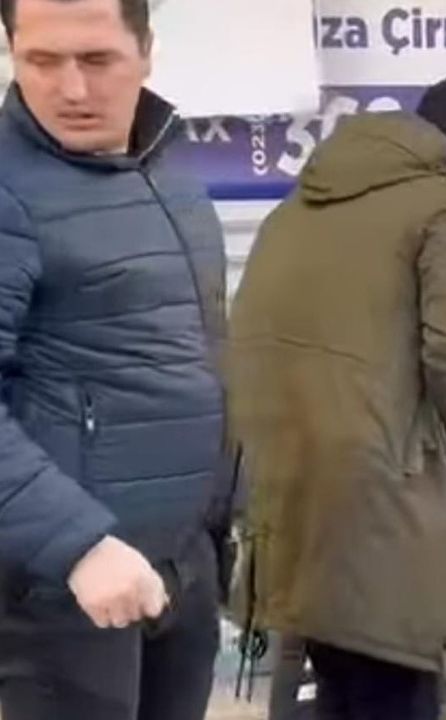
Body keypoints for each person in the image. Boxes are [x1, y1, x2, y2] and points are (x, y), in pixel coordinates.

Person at [227, 75, 446, 720]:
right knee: (396, 684)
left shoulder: (303, 202)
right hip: (380, 490)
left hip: (284, 478)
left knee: (339, 679)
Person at [0, 0, 234, 717]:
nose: (71, 89)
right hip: (66, 589)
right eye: (42, 61)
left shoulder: (167, 172)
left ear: (146, 51)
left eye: (97, 60)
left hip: (180, 566)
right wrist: (77, 546)